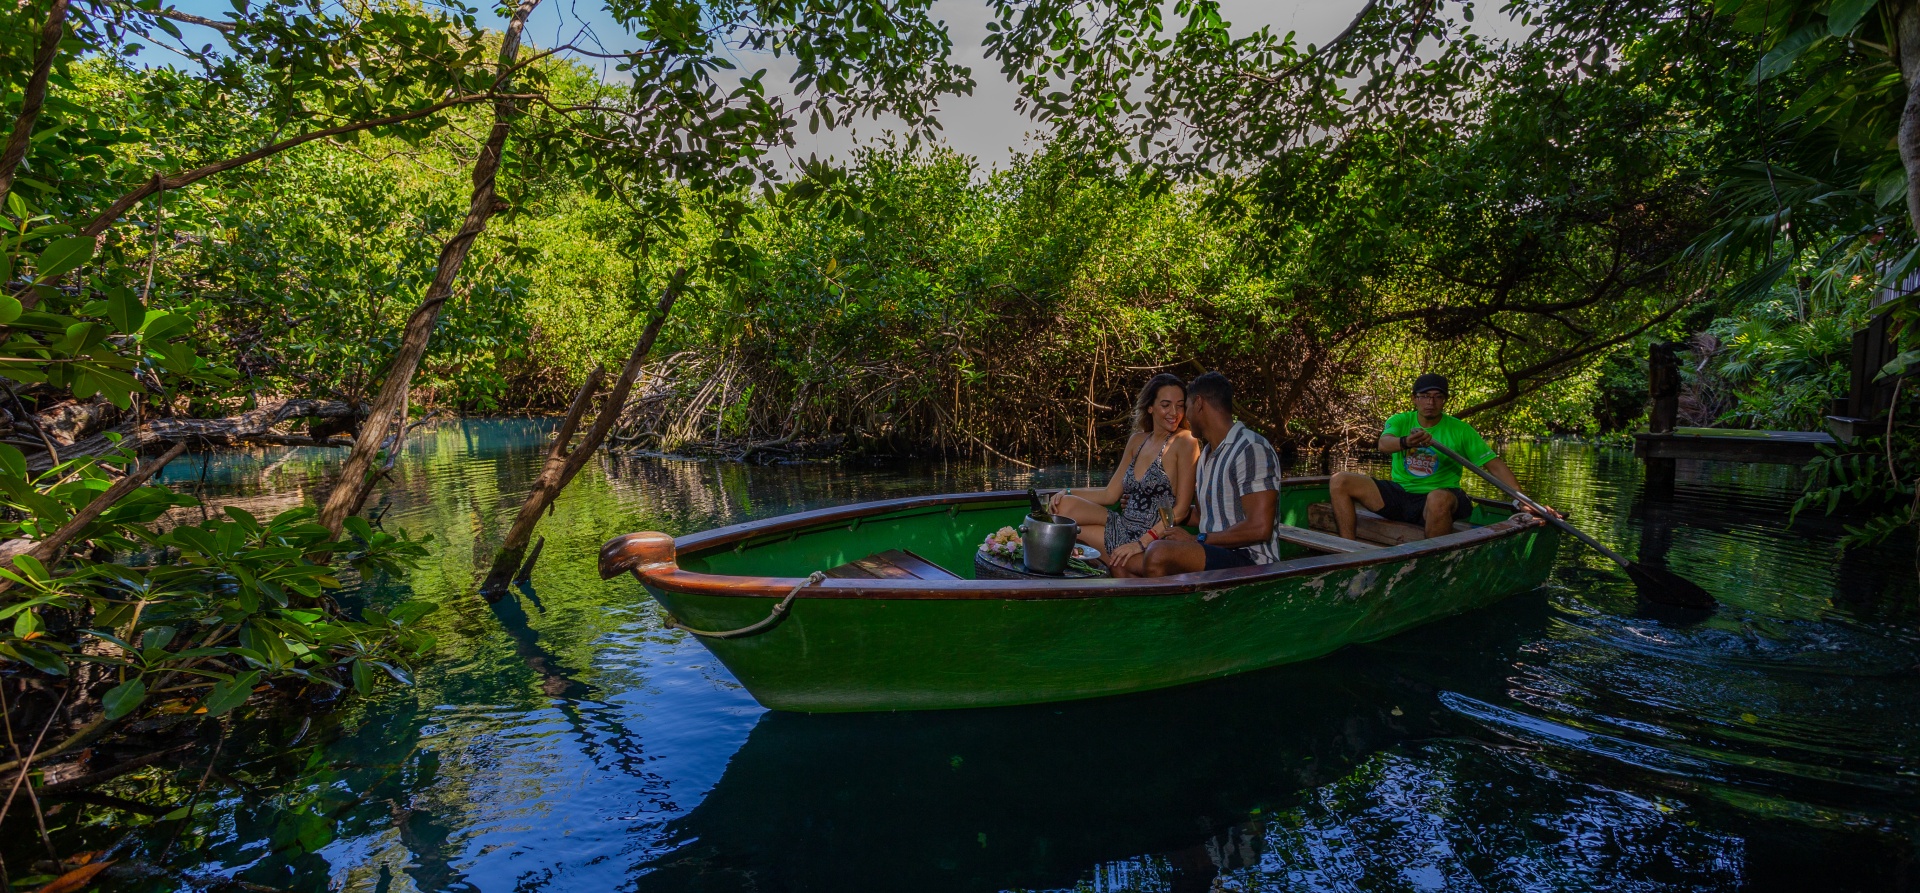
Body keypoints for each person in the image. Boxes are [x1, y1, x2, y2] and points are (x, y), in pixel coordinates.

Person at [1328, 373, 1544, 540]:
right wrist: (1405, 442)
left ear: (1444, 401)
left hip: (1444, 498)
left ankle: (1434, 561)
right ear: (1414, 399)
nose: (1430, 402)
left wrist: (1523, 500)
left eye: (1437, 397)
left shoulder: (1460, 429)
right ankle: (1348, 547)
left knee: (1437, 498)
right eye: (1424, 396)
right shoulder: (1401, 420)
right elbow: (1384, 445)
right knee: (1340, 480)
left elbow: (1494, 465)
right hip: (1402, 494)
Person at [1115, 372, 1283, 577]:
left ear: (1199, 404)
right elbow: (1201, 515)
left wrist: (1198, 539)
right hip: (1213, 551)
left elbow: (1260, 528)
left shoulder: (1250, 448)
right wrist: (1147, 505)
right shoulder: (1207, 455)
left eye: (1185, 407)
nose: (1183, 415)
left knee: (1158, 552)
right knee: (1120, 560)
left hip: (1250, 559)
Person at [1048, 373, 1200, 567]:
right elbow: (1109, 495)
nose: (1174, 412)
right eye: (1165, 405)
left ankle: (1108, 566)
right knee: (1062, 506)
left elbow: (1180, 510)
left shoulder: (1186, 441)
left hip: (1151, 537)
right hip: (1122, 525)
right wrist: (1066, 491)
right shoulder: (1137, 440)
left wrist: (1141, 543)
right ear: (1150, 407)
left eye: (1180, 405)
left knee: (1066, 534)